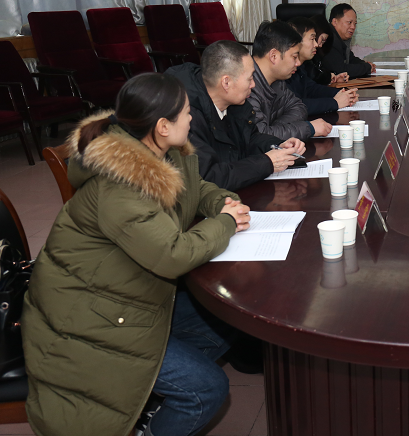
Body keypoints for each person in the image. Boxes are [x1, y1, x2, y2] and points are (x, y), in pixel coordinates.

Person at [22, 73, 254, 436]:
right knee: (206, 389)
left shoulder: (156, 151)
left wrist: (221, 202)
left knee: (231, 312)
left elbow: (195, 187)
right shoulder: (120, 185)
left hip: (128, 298)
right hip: (88, 322)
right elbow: (174, 254)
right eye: (187, 112)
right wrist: (224, 223)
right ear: (162, 126)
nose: (192, 118)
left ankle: (148, 396)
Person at [167, 40, 306, 191]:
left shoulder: (234, 102)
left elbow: (250, 138)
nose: (253, 85)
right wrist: (267, 163)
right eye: (250, 78)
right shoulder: (185, 119)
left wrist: (278, 146)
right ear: (226, 83)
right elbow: (210, 177)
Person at [249, 20, 334, 140]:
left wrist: (275, 129)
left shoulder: (277, 81)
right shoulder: (246, 86)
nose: (298, 63)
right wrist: (308, 128)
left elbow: (299, 107)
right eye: (294, 57)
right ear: (274, 56)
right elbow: (260, 136)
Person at [286, 16, 359, 116]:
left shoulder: (299, 67)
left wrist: (341, 93)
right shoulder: (282, 72)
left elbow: (311, 89)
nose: (316, 45)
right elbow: (295, 106)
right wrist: (335, 102)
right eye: (312, 39)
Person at [321, 3, 375, 79]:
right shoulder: (329, 39)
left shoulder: (340, 39)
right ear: (335, 22)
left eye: (355, 23)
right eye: (349, 22)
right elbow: (341, 70)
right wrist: (366, 68)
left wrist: (365, 64)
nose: (353, 27)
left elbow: (350, 59)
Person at [299, 15, 349, 86]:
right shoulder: (300, 63)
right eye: (322, 39)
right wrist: (329, 77)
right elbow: (314, 77)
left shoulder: (316, 56)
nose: (318, 45)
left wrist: (333, 78)